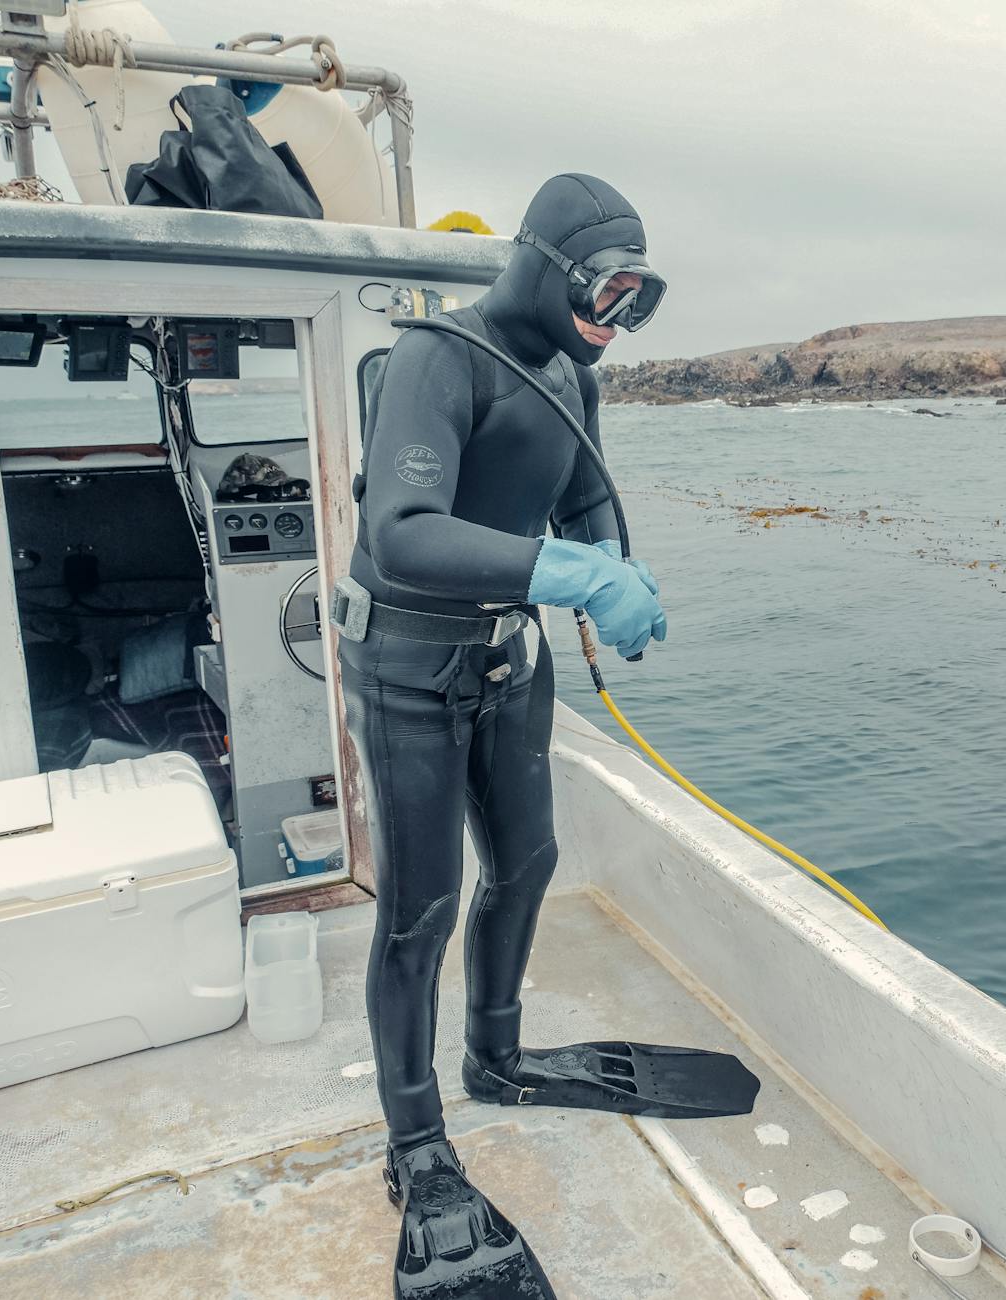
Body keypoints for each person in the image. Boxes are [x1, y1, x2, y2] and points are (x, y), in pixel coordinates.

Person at [337, 173, 760, 1300]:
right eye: (606, 290)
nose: (616, 317)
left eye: (639, 299)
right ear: (542, 264)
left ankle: (497, 1055)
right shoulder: (438, 358)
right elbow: (403, 531)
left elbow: (580, 496)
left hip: (505, 658)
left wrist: (612, 565)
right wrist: (568, 571)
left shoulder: (570, 374)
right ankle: (416, 1139)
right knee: (420, 904)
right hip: (409, 662)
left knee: (526, 862)